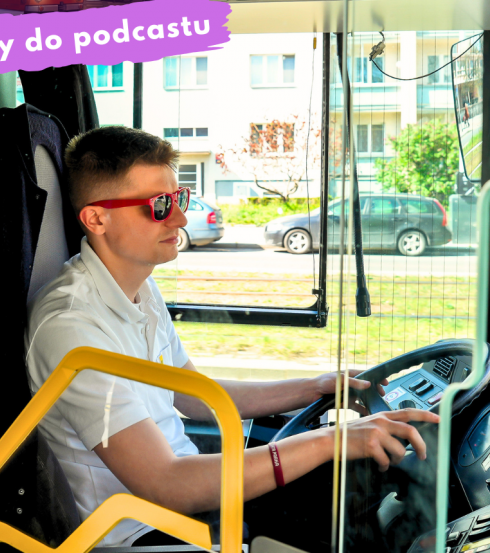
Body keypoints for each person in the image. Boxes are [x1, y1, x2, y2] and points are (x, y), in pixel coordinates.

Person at [25, 126, 439, 549]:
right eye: (160, 206)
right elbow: (165, 483)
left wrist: (314, 388)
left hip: (188, 502)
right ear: (97, 218)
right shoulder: (71, 327)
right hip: (141, 532)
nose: (180, 219)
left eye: (180, 198)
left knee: (351, 497)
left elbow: (194, 395)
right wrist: (328, 440)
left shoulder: (139, 288)